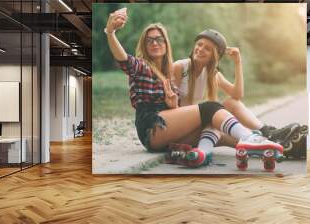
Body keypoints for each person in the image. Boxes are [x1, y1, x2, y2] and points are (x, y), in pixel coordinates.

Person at [105, 8, 283, 168]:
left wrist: (172, 103)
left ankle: (256, 147)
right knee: (211, 108)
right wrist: (111, 32)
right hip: (151, 127)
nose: (154, 43)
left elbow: (175, 111)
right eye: (149, 40)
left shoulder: (167, 71)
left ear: (166, 44)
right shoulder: (142, 67)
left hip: (165, 130)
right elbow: (124, 60)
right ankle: (250, 137)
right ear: (144, 45)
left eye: (159, 39)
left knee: (214, 127)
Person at [173, 29, 306, 151]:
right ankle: (268, 140)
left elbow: (237, 95)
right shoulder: (180, 67)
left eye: (207, 48)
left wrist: (238, 62)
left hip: (195, 128)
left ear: (214, 56)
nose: (200, 49)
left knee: (231, 104)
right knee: (223, 127)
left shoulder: (212, 74)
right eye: (199, 44)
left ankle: (270, 137)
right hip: (180, 130)